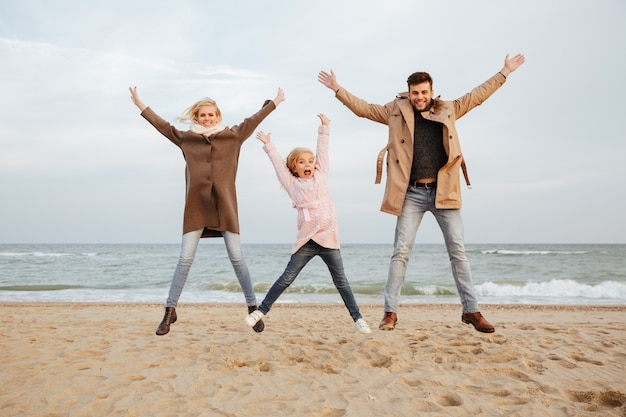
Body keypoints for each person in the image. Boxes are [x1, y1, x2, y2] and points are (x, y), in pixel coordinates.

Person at [318, 53, 526, 333]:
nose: (419, 97)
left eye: (424, 92)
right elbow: (364, 109)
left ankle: (471, 311)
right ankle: (390, 313)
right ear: (409, 92)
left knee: (458, 252)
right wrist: (337, 89)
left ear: (431, 90)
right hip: (411, 194)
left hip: (444, 192)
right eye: (415, 93)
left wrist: (504, 72)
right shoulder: (394, 111)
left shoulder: (449, 108)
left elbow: (478, 95)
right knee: (400, 252)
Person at [129, 86, 285, 335]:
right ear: (196, 117)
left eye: (211, 114)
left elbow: (254, 119)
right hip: (196, 208)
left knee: (237, 259)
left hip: (225, 207)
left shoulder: (233, 136)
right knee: (185, 259)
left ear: (218, 115)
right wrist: (140, 104)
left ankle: (252, 307)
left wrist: (274, 102)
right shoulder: (186, 139)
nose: (207, 118)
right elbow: (162, 126)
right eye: (202, 115)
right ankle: (170, 311)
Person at [245, 114, 372, 334]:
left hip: (329, 238)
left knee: (341, 282)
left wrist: (323, 128)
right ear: (294, 167)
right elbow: (278, 165)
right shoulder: (292, 184)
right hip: (307, 240)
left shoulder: (322, 175)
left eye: (310, 161)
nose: (308, 164)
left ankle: (358, 318)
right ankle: (260, 311)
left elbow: (322, 151)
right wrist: (269, 145)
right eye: (302, 162)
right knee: (286, 278)